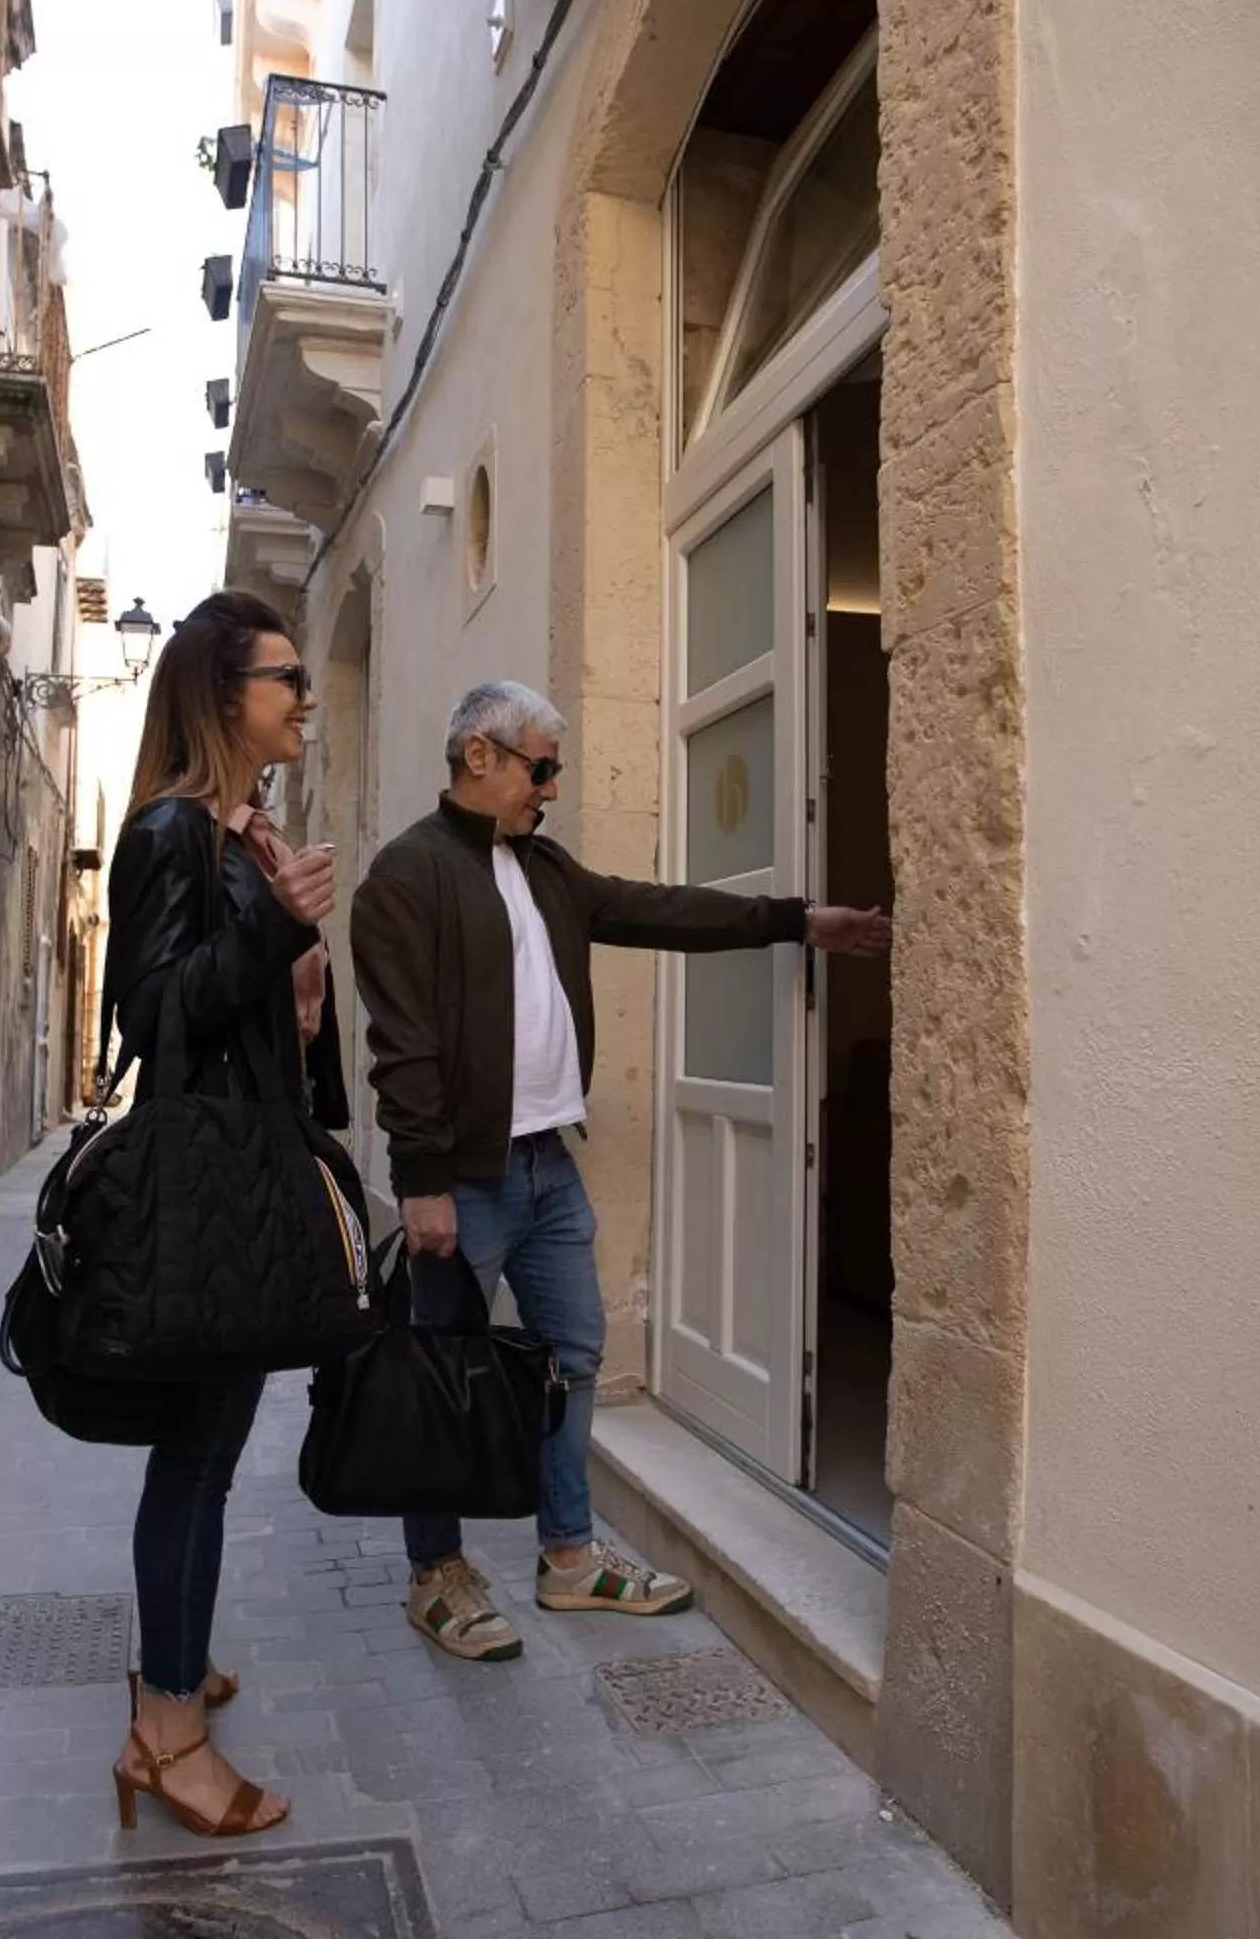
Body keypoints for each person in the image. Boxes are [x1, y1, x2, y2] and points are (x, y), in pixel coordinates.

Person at [349, 680, 891, 1660]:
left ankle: (567, 1556)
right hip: (463, 1180)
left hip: (549, 1165)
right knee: (445, 1376)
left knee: (571, 1356)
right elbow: (404, 1041)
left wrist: (797, 920)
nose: (549, 787)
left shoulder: (541, 866)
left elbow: (656, 909)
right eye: (540, 766)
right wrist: (420, 1173)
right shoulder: (406, 875)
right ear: (482, 754)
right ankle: (437, 1571)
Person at [101, 591, 341, 1834]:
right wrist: (276, 926)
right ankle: (164, 1730)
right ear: (221, 692)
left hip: (251, 1174)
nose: (304, 695)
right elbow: (156, 1014)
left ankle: (177, 1660)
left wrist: (293, 964)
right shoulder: (164, 833)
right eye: (285, 676)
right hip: (206, 1189)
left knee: (210, 1456)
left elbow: (256, 1011)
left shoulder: (239, 833)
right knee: (194, 1461)